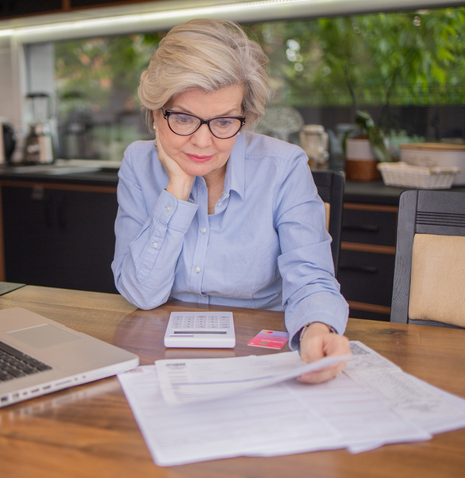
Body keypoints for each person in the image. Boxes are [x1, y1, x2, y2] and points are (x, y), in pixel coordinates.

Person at [111, 19, 350, 384]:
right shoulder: (137, 164)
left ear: (245, 117)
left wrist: (316, 329)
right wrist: (177, 187)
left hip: (259, 358)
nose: (203, 142)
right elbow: (141, 293)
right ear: (156, 114)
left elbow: (312, 279)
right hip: (161, 357)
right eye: (184, 119)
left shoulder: (283, 167)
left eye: (224, 122)